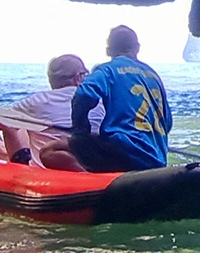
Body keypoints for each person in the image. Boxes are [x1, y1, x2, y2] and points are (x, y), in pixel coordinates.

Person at [70, 26, 170, 172]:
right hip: (158, 157)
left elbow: (84, 94)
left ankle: (90, 182)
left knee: (52, 150)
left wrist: (81, 130)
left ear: (108, 51)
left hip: (124, 151)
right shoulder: (153, 75)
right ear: (137, 48)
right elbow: (167, 122)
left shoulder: (107, 70)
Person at [0, 54, 101, 170]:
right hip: (93, 169)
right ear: (78, 78)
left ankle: (15, 171)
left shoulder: (37, 102)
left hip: (44, 173)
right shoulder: (99, 102)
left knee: (14, 124)